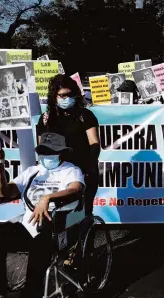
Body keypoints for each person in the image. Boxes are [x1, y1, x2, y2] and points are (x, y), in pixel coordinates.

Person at [0, 133, 84, 298]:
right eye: (43, 152)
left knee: (41, 243)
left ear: (60, 153)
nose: (46, 156)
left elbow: (75, 189)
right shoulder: (33, 171)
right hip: (28, 226)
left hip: (57, 226)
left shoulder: (71, 170)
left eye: (50, 152)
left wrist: (47, 198)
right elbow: (5, 192)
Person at [36, 74, 100, 216]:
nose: (66, 98)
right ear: (54, 97)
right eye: (62, 95)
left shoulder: (85, 115)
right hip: (58, 174)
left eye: (69, 94)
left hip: (84, 171)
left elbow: (94, 143)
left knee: (83, 214)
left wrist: (89, 168)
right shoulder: (46, 118)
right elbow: (41, 148)